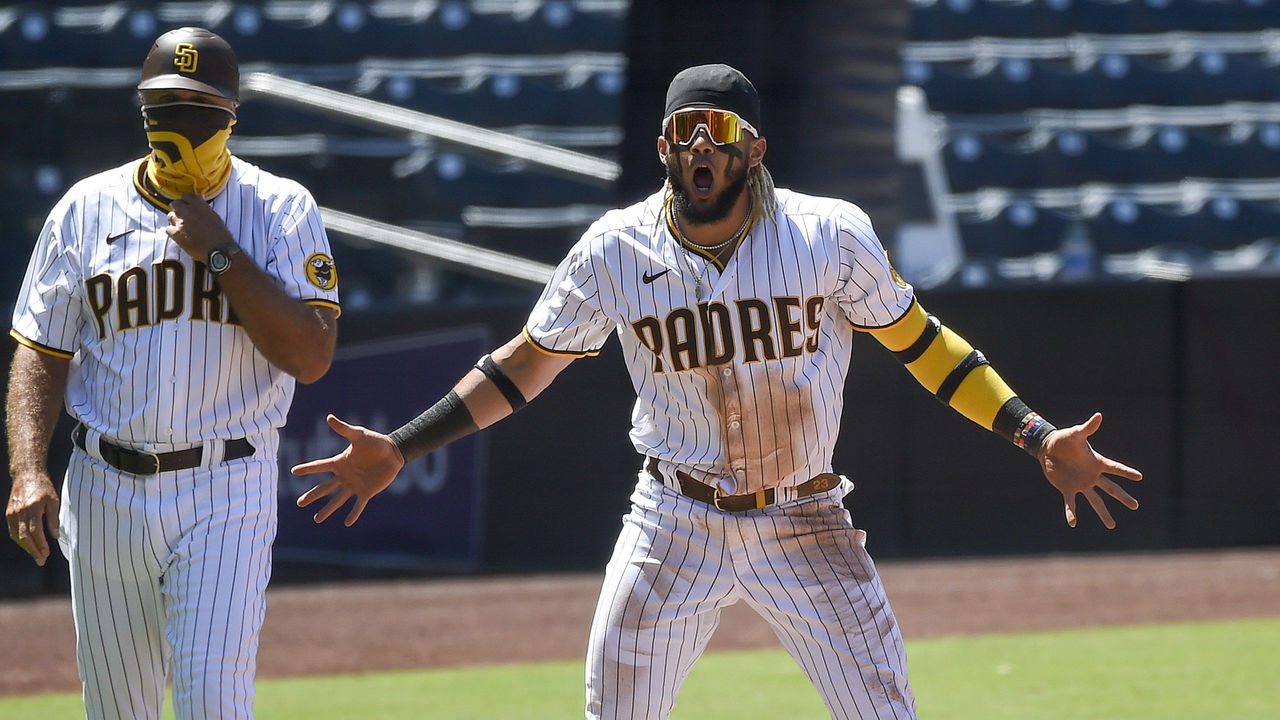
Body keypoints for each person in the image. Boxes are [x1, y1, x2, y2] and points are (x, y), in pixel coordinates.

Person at [291, 64, 1141, 719]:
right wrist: (401, 446)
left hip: (805, 517)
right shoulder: (613, 250)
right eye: (683, 129)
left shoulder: (827, 234)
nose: (701, 144)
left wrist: (1035, 434)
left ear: (753, 148)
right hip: (674, 518)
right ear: (663, 147)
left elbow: (924, 347)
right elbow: (524, 365)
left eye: (720, 128)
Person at [5, 27, 340, 719]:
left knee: (212, 704)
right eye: (162, 103)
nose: (175, 120)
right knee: (117, 710)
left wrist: (220, 254)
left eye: (195, 105)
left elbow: (310, 355)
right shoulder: (85, 208)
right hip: (101, 488)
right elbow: (40, 350)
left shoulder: (280, 210)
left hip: (226, 484)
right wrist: (29, 467)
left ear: (230, 116)